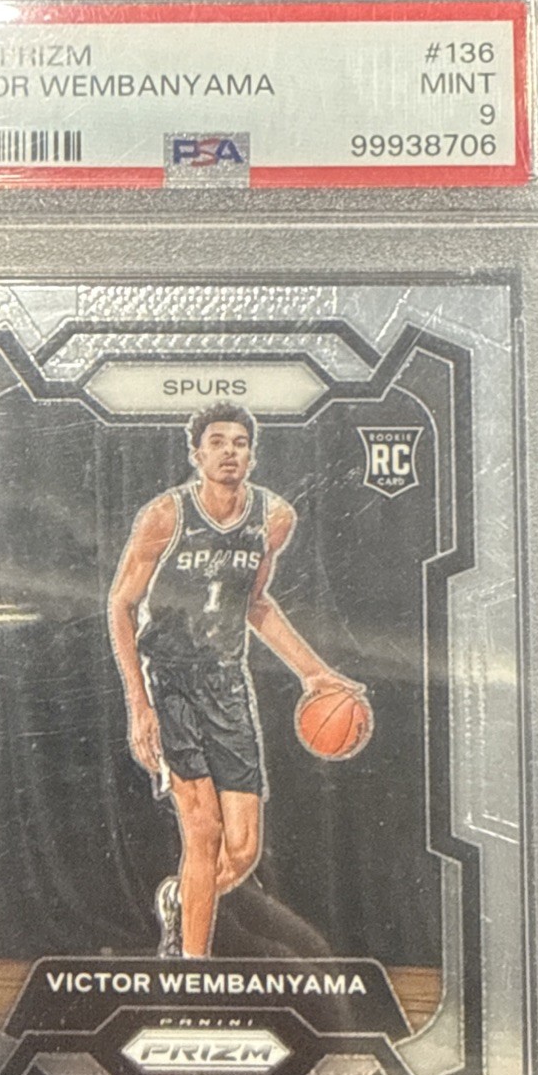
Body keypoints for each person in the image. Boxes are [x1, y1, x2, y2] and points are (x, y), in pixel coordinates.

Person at [107, 402, 364, 957]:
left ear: (252, 454)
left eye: (240, 443)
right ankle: (190, 968)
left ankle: (181, 899)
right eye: (217, 442)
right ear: (196, 455)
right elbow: (121, 604)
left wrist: (315, 673)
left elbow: (256, 603)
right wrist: (139, 704)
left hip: (226, 683)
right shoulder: (165, 516)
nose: (229, 452)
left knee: (242, 852)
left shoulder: (273, 519)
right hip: (170, 681)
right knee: (202, 833)